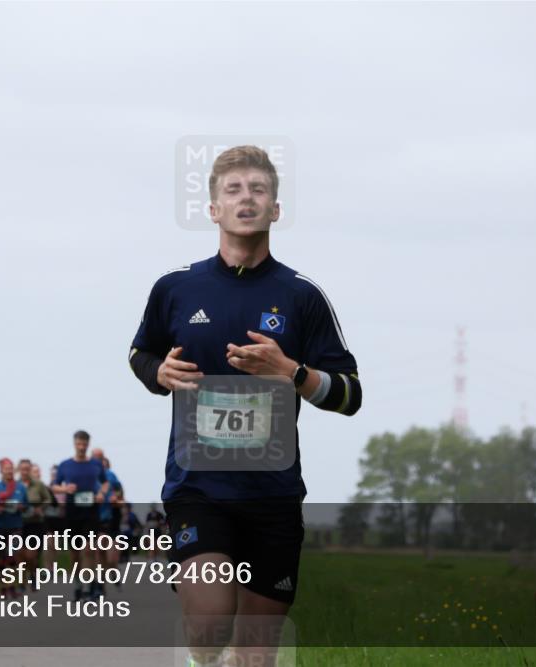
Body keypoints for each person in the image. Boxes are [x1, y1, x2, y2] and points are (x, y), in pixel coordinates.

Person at [128, 146, 361, 666]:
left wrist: (292, 373)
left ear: (276, 209)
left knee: (257, 654)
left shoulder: (302, 296)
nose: (247, 198)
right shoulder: (176, 288)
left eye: (259, 189)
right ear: (213, 210)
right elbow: (140, 352)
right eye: (233, 190)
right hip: (197, 487)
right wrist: (158, 374)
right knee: (209, 622)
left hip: (272, 493)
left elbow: (351, 394)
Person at [51, 431, 107, 600]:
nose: (81, 447)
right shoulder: (65, 465)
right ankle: (77, 584)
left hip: (91, 510)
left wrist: (101, 494)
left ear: (88, 444)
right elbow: (54, 486)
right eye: (79, 444)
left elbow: (105, 482)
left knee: (89, 549)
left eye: (84, 444)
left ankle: (89, 586)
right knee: (75, 553)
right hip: (72, 511)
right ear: (74, 444)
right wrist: (65, 489)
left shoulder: (96, 464)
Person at [0, 458, 28, 598]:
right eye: (6, 469)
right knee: (2, 559)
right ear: (1, 471)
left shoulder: (20, 488)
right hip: (0, 526)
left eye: (11, 468)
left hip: (15, 526)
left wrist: (22, 507)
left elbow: (28, 506)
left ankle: (12, 587)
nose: (9, 471)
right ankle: (3, 587)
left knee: (12, 557)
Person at [90, 449, 123, 592]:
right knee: (98, 551)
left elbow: (119, 491)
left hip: (111, 517)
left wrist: (115, 497)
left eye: (100, 459)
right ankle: (100, 583)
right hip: (94, 518)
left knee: (110, 558)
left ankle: (113, 571)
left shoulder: (110, 475)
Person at [17, 459, 52, 585]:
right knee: (21, 555)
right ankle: (24, 580)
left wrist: (40, 508)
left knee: (31, 555)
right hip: (19, 523)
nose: (25, 472)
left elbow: (48, 499)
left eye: (27, 469)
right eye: (23, 469)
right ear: (19, 470)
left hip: (36, 523)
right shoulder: (15, 485)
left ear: (30, 470)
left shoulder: (38, 485)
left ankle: (33, 574)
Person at [42, 464, 65, 567]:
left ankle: (53, 565)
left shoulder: (64, 488)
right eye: (52, 474)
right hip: (49, 518)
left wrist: (63, 506)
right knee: (49, 542)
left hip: (61, 519)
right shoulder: (46, 488)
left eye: (56, 474)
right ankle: (48, 567)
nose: (54, 476)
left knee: (55, 545)